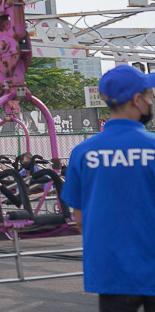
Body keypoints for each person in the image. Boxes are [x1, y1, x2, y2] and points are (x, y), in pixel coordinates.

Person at [63, 65, 155, 311]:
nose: (151, 102)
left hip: (112, 270)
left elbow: (80, 219)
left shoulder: (83, 152)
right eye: (149, 97)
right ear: (137, 100)